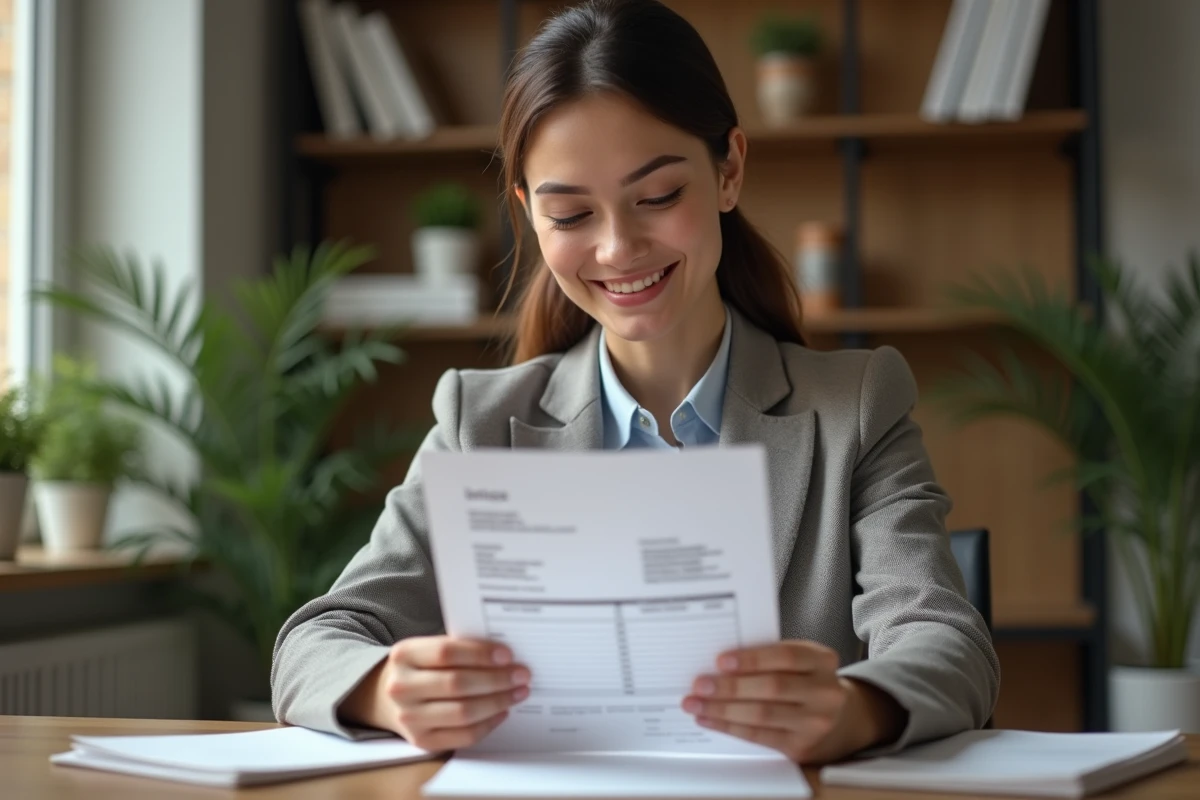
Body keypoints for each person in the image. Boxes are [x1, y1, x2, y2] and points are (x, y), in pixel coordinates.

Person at [272, 0, 999, 765]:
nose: (619, 248)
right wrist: (387, 689)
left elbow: (948, 641)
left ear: (729, 170)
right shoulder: (478, 423)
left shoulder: (854, 407)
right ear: (527, 213)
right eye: (571, 214)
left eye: (657, 198)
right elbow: (313, 644)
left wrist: (854, 709)